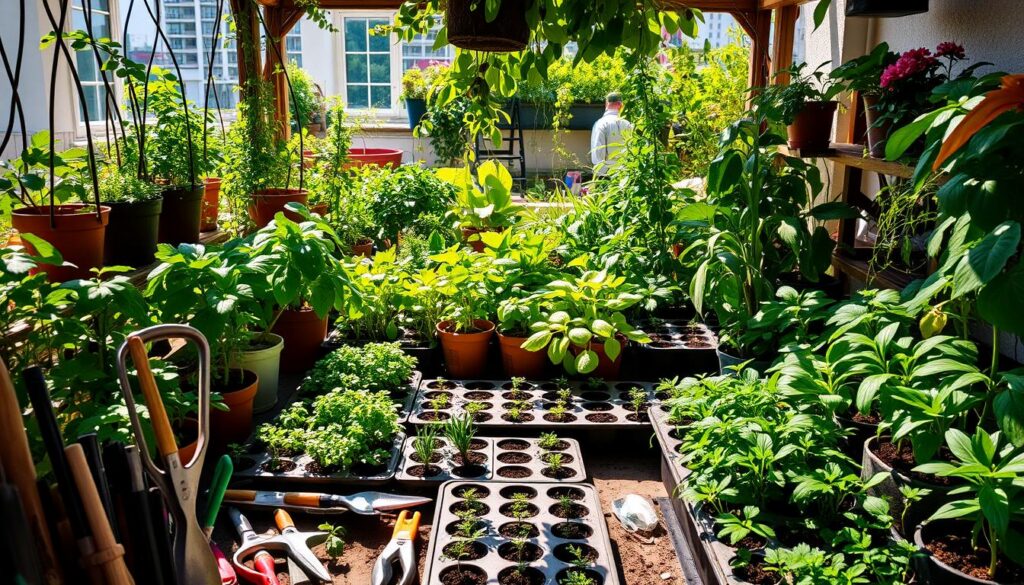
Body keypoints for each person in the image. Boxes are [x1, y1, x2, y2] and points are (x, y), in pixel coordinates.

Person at [590, 92, 633, 177]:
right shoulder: (627, 124)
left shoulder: (600, 123)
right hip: (624, 173)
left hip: (604, 173)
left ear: (606, 104)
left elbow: (598, 152)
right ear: (621, 105)